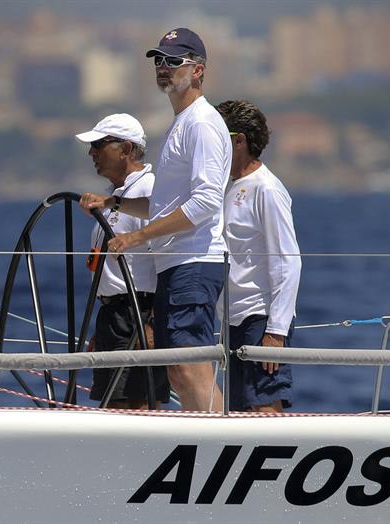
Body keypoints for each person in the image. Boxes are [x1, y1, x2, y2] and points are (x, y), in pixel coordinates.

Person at [80, 28, 231, 411]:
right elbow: (165, 204)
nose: (163, 68)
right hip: (176, 263)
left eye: (173, 62)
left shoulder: (201, 123)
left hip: (195, 261)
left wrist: (137, 237)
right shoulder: (182, 123)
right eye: (158, 61)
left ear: (197, 70)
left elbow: (206, 203)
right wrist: (114, 202)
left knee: (189, 367)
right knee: (179, 369)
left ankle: (214, 444)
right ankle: (207, 438)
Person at [216, 99, 301, 413]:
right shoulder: (227, 187)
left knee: (264, 408)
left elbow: (288, 260)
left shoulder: (266, 189)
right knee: (238, 413)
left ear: (239, 141)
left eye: (218, 137)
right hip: (233, 318)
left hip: (260, 317)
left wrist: (276, 332)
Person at [75, 113, 165, 410]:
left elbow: (167, 258)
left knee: (134, 405)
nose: (92, 153)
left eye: (99, 145)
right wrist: (103, 330)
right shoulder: (117, 195)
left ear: (126, 149)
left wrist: (151, 323)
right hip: (114, 315)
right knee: (116, 403)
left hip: (138, 312)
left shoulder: (149, 189)